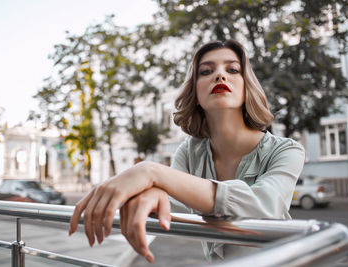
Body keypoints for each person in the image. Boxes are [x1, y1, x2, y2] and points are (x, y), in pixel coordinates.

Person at [68, 39, 305, 263]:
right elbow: (173, 201)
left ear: (246, 87)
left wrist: (151, 172)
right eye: (206, 71)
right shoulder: (190, 152)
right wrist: (153, 194)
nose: (220, 75)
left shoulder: (287, 151)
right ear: (196, 92)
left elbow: (264, 206)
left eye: (232, 70)